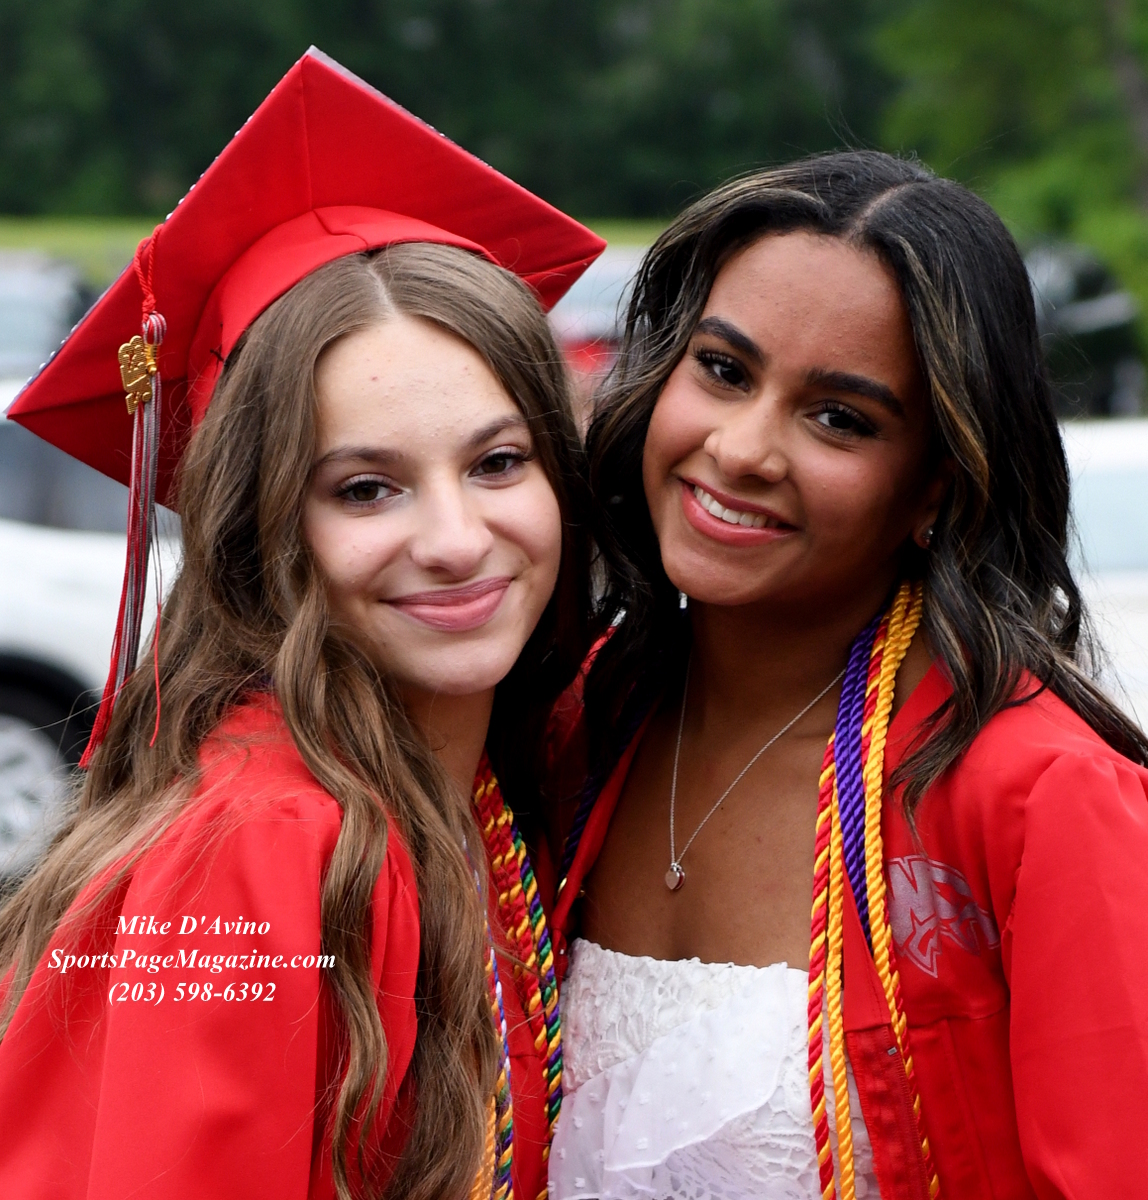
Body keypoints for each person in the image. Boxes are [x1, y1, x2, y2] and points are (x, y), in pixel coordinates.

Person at [0, 50, 604, 1200]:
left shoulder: (468, 786)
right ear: (261, 530)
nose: (455, 539)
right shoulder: (260, 846)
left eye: (496, 462)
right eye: (365, 489)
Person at [545, 150, 1148, 1200]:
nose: (742, 449)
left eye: (839, 419)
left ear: (936, 490)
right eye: (723, 370)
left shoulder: (1039, 794)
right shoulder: (569, 721)